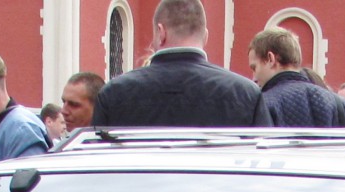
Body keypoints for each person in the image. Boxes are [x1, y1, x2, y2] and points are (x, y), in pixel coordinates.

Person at [92, 0, 272, 127]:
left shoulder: (113, 93)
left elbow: (98, 171)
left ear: (161, 32)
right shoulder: (246, 94)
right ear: (205, 36)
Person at [247, 28, 345, 127]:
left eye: (254, 68)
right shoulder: (343, 106)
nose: (254, 77)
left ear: (270, 59)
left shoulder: (260, 106)